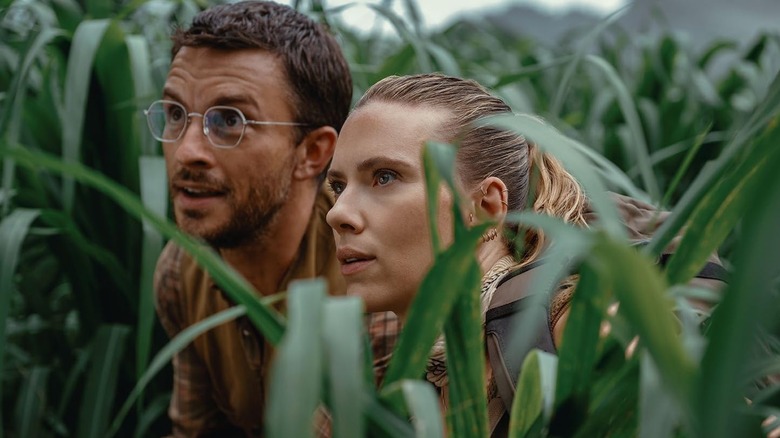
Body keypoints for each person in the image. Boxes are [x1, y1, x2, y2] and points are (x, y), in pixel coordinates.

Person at [150, 2, 397, 436]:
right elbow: (194, 429)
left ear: (313, 152)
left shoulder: (375, 287)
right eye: (174, 114)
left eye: (229, 120)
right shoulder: (180, 271)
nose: (187, 151)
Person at [325, 72, 589, 434]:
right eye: (338, 185)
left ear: (485, 207)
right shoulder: (376, 369)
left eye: (384, 177)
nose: (337, 212)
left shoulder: (574, 331)